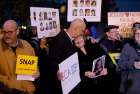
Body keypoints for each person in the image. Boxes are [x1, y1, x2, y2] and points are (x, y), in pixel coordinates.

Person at [46, 18, 86, 94]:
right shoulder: (59, 39)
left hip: (71, 84)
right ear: (76, 28)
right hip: (63, 86)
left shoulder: (72, 40)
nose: (82, 34)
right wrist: (56, 71)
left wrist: (81, 47)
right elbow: (52, 60)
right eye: (82, 31)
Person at [0, 20, 39, 94]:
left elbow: (34, 67)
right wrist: (9, 90)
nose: (6, 35)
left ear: (17, 31)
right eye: (4, 32)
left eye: (10, 32)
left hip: (28, 91)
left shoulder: (27, 46)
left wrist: (37, 73)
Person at [118, 22, 140, 94]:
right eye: (137, 33)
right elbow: (120, 64)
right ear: (134, 35)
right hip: (131, 88)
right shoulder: (128, 46)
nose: (139, 35)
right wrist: (133, 64)